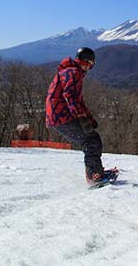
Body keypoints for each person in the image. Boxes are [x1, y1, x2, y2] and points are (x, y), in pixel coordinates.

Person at [45, 47, 116, 186]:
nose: (90, 69)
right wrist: (81, 117)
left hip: (58, 116)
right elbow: (70, 96)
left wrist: (89, 118)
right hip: (61, 116)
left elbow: (78, 100)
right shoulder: (74, 72)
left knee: (91, 139)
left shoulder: (70, 71)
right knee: (91, 140)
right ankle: (94, 176)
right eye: (91, 65)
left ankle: (95, 172)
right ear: (87, 62)